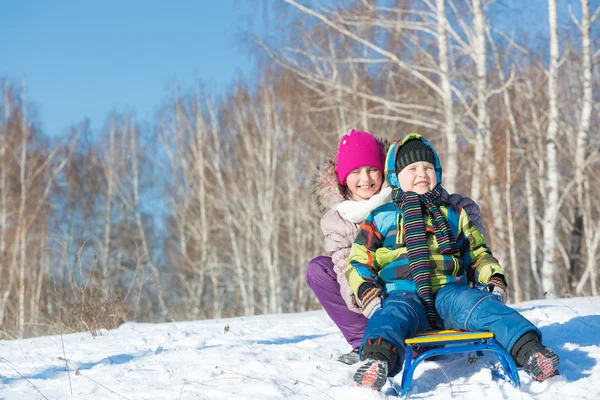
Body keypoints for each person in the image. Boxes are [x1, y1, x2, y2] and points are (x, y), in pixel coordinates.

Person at [345, 133, 560, 391]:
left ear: (437, 172)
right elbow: (359, 260)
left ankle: (531, 350)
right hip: (403, 294)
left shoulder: (453, 214)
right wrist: (367, 291)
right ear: (395, 177)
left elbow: (477, 251)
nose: (421, 173)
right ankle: (376, 361)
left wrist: (493, 276)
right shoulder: (382, 216)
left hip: (450, 293)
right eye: (412, 168)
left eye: (427, 167)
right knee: (389, 316)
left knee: (482, 306)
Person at [305, 129, 489, 365]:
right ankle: (367, 340)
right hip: (374, 299)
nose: (366, 179)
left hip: (418, 291)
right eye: (356, 172)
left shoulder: (400, 197)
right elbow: (344, 269)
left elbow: (434, 200)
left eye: (372, 170)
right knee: (319, 269)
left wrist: (461, 208)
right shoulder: (337, 220)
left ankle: (417, 334)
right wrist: (370, 301)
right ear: (343, 178)